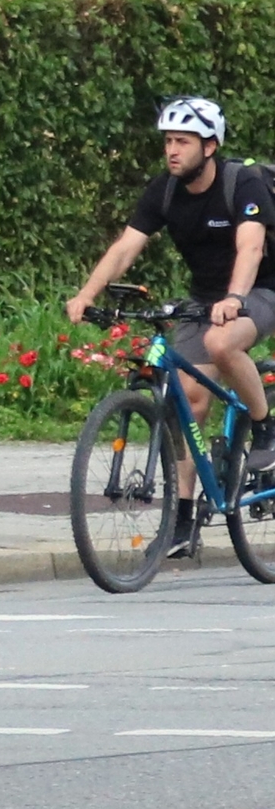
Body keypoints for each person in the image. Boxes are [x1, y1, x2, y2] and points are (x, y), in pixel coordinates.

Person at [68, 95, 275, 556]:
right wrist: (87, 293)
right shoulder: (164, 190)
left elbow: (251, 249)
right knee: (189, 403)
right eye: (167, 141)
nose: (172, 150)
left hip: (259, 291)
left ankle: (265, 427)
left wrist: (235, 298)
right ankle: (182, 520)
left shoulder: (242, 185)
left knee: (223, 344)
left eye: (182, 141)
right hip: (203, 300)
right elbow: (126, 247)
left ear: (210, 145)